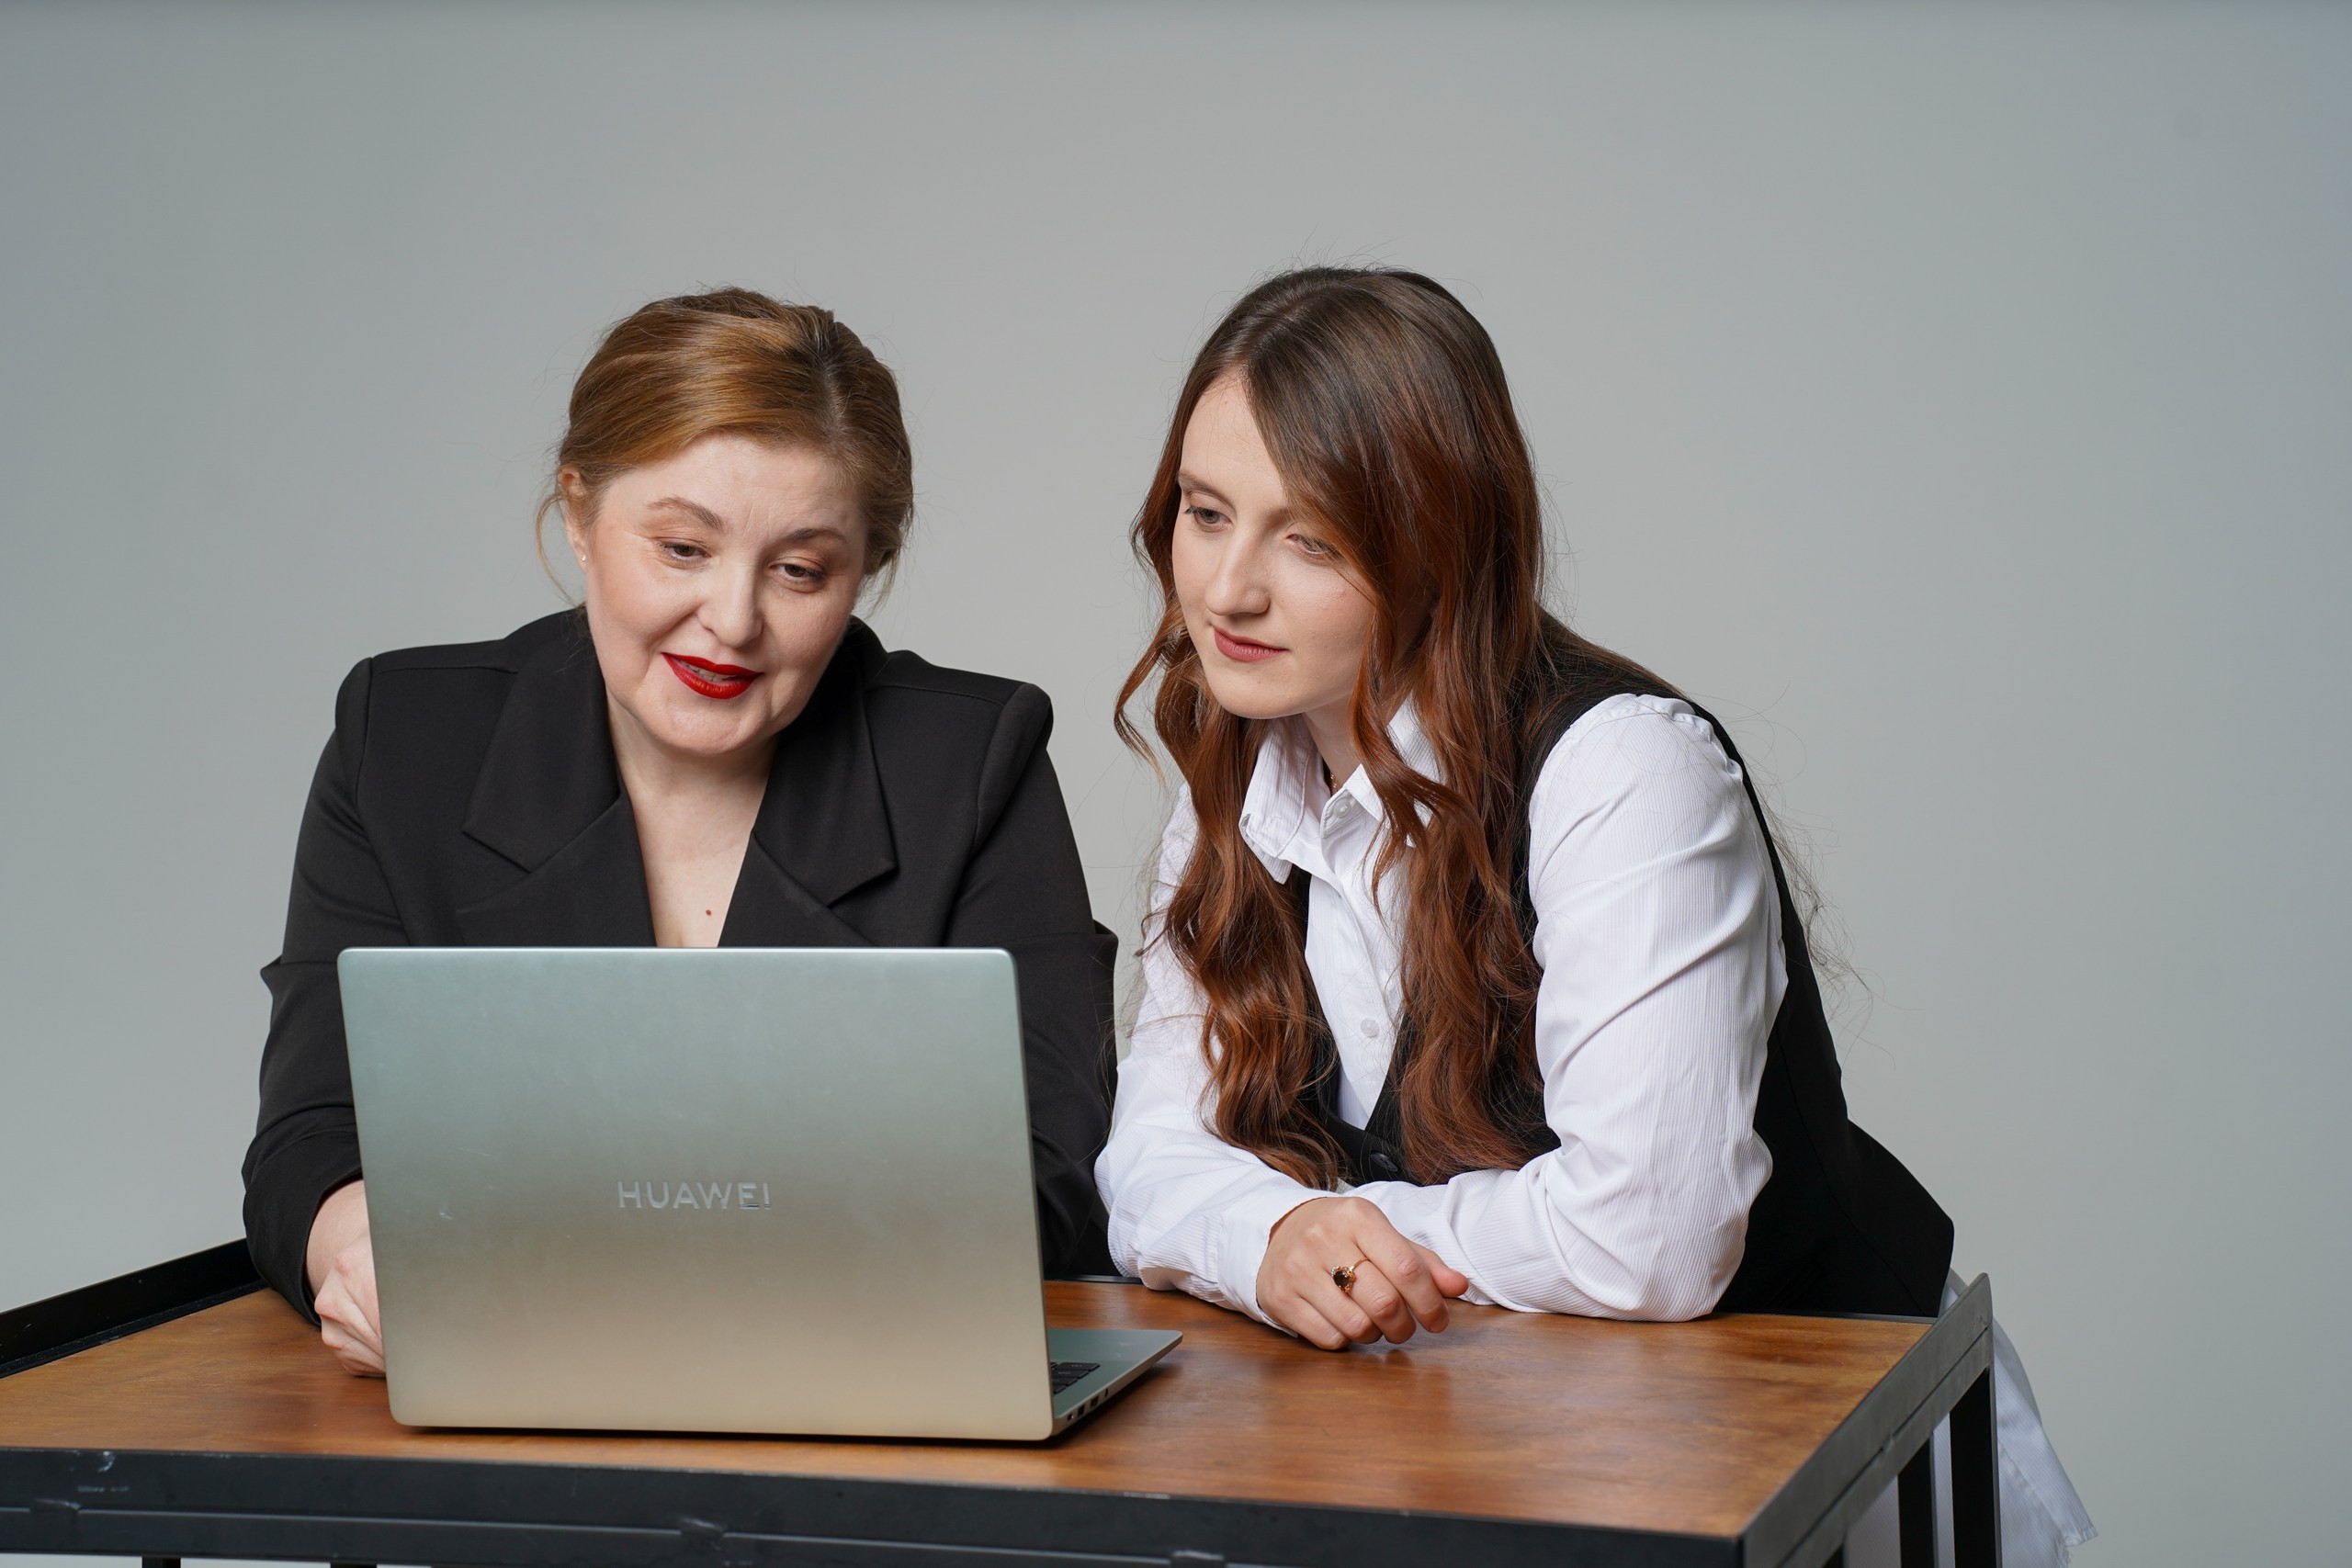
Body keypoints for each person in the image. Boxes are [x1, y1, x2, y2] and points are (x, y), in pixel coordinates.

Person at [1096, 266, 2091, 1564]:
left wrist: (1344, 1238)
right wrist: (1271, 1228)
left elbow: (1653, 1233)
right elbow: (1147, 1165)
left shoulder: (1623, 767)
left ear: (1434, 540)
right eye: (1205, 511)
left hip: (1839, 1456)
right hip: (1544, 1454)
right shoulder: (1240, 775)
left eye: (1311, 538)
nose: (1225, 588)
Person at [245, 288, 1117, 1377]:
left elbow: (1049, 1176)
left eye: (801, 570)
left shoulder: (971, 761)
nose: (734, 619)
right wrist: (368, 1253)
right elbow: (308, 1139)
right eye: (681, 548)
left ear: (862, 573)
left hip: (861, 1399)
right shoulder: (406, 742)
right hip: (502, 1404)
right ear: (578, 512)